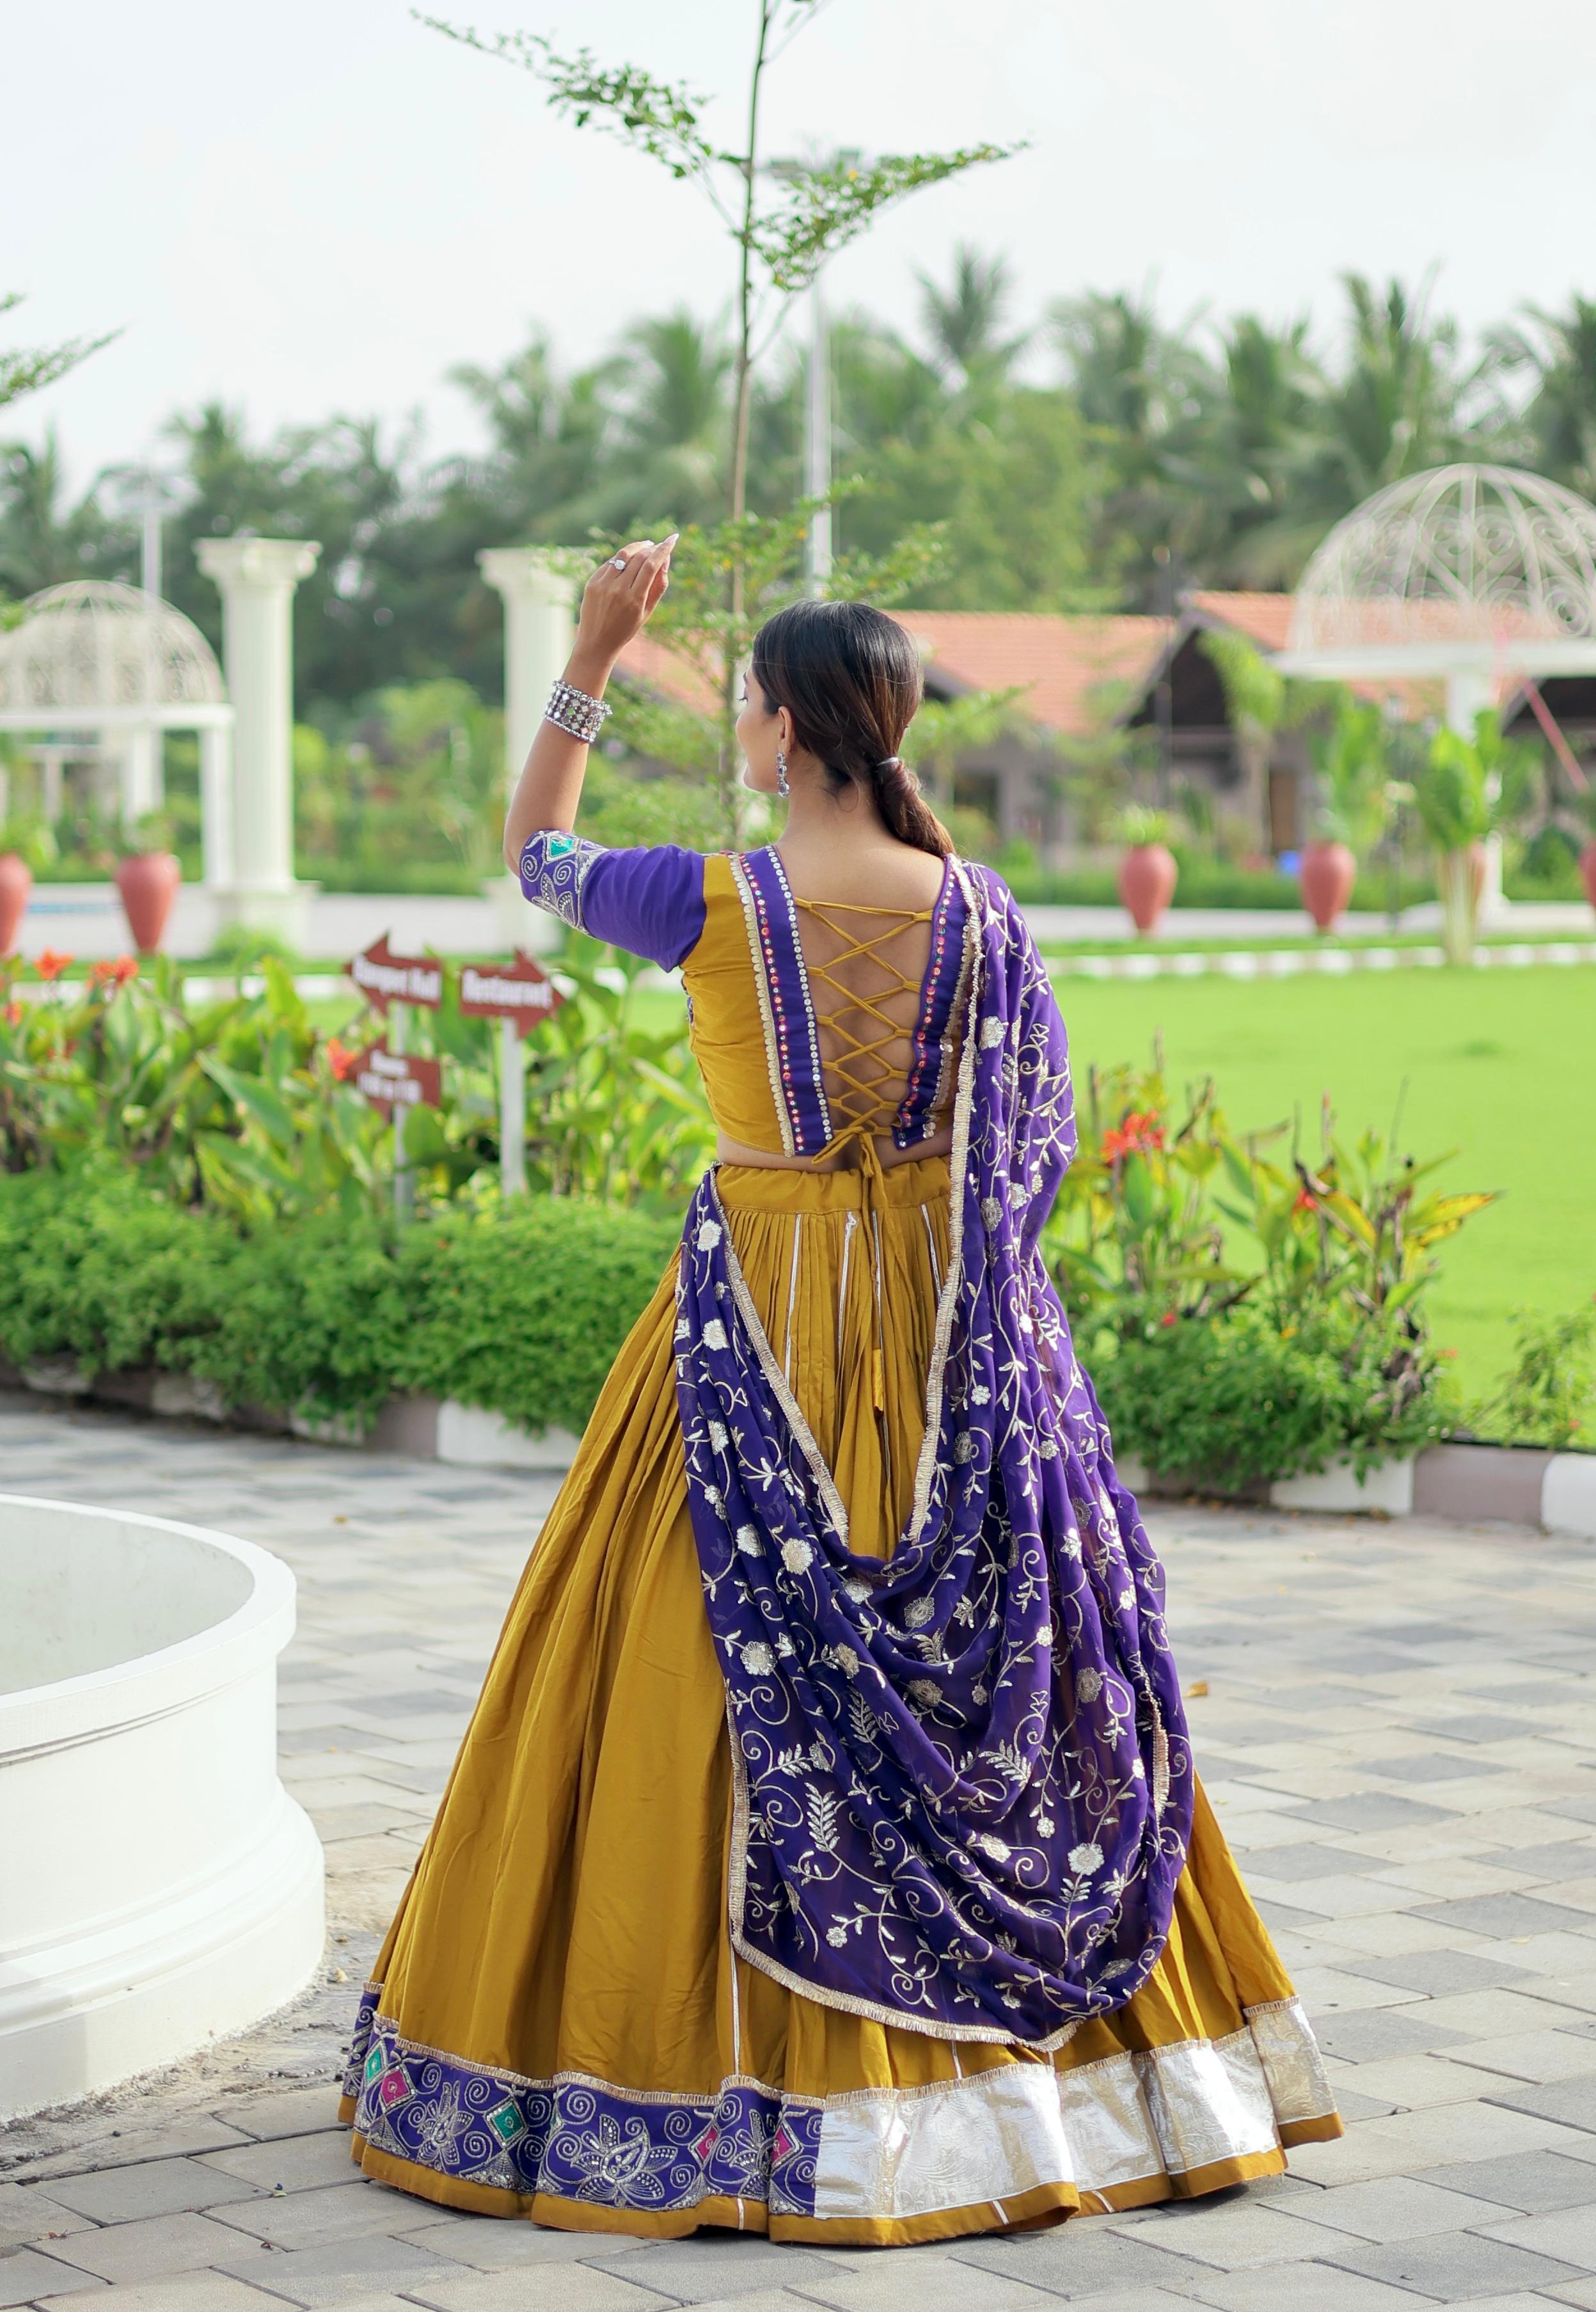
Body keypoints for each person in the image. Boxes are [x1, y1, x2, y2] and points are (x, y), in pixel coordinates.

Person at [339, 539, 1340, 2247]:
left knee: (673, 1682)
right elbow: (1028, 1157)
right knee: (1022, 1716)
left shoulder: (708, 901)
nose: (738, 718)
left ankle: (732, 2110)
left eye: (747, 699)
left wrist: (594, 649)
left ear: (791, 728)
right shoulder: (983, 911)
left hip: (750, 1346)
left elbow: (530, 851)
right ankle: (1061, 2102)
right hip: (959, 1358)